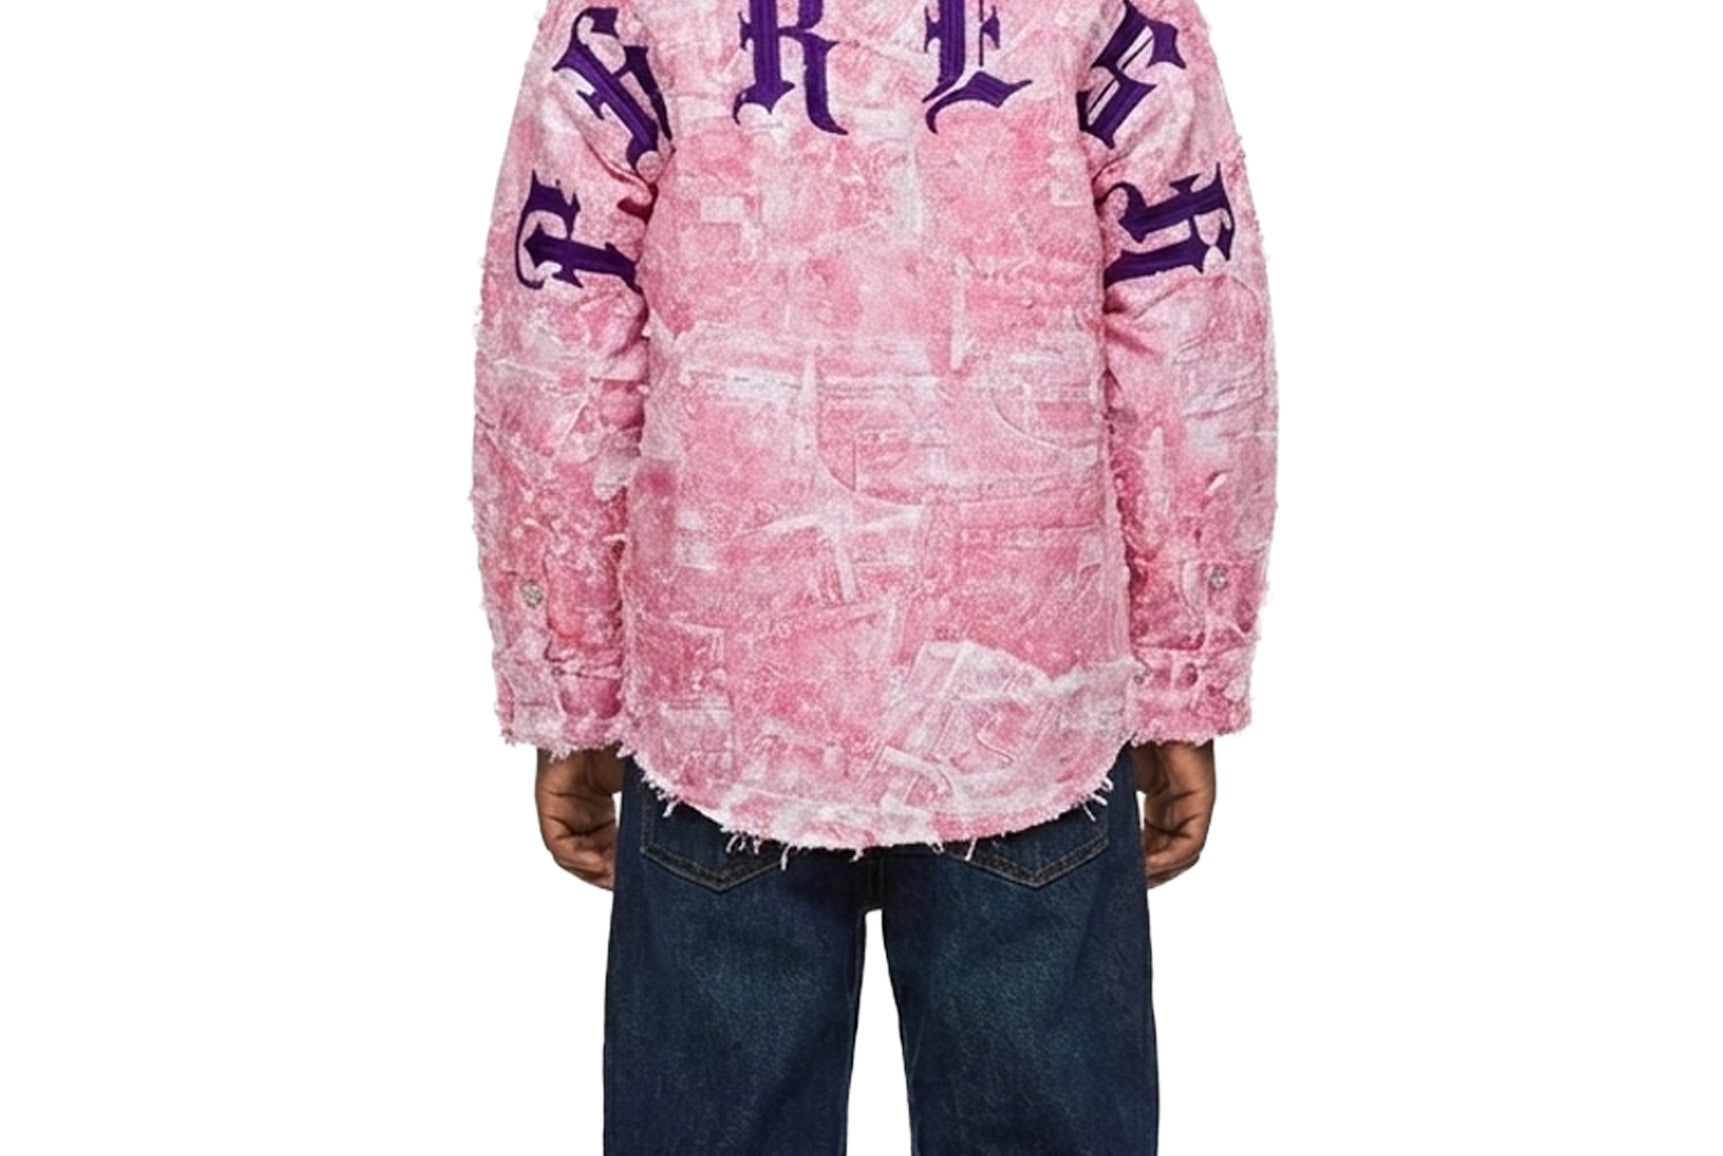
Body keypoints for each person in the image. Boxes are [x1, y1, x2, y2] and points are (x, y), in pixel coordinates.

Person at [469, 0, 1276, 1150]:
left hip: (725, 701)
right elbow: (1189, 323)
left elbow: (556, 334)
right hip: (1026, 690)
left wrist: (571, 685)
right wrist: (1180, 672)